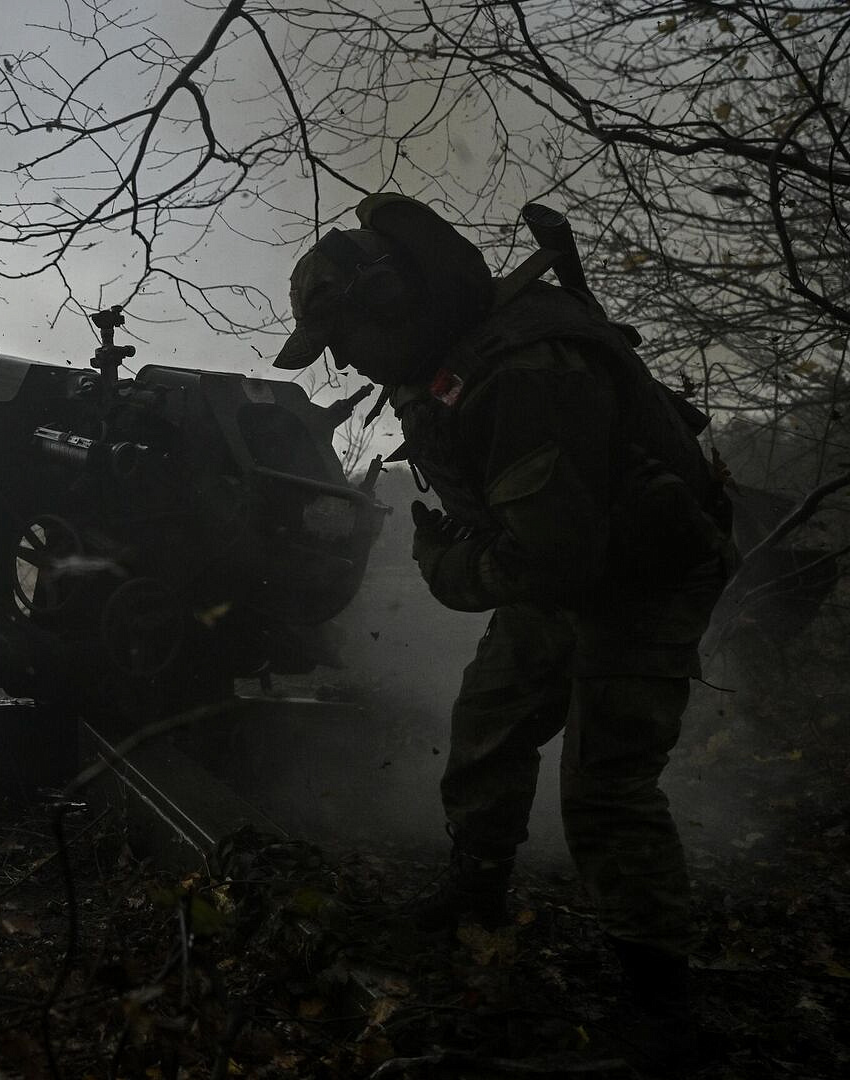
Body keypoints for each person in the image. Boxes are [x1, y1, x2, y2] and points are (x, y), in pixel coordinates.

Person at [273, 193, 733, 1064]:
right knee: (490, 719)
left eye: (346, 338)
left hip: (646, 575)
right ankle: (475, 895)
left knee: (605, 786)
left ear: (391, 304)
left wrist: (449, 570)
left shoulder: (524, 370)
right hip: (571, 551)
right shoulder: (447, 358)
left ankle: (659, 999)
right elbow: (541, 540)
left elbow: (552, 560)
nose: (348, 362)